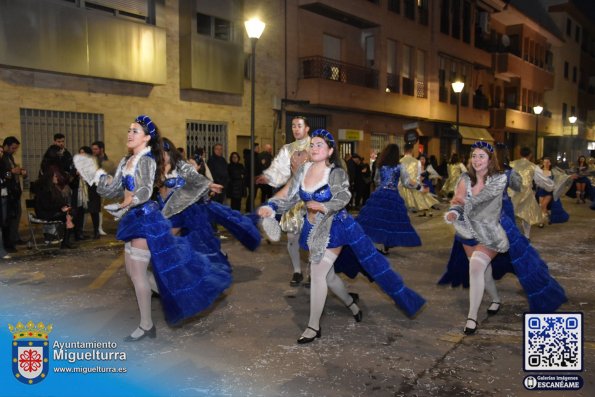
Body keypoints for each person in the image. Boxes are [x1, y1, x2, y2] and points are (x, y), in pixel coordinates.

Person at [258, 129, 425, 344]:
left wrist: (323, 205)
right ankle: (351, 304)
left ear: (329, 151)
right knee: (328, 277)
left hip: (335, 227)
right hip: (312, 228)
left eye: (320, 145)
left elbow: (344, 196)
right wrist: (271, 207)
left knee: (317, 273)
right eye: (313, 144)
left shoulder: (335, 172)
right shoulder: (303, 171)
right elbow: (290, 196)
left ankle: (313, 326)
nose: (315, 148)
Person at [90, 115, 230, 341]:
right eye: (129, 130)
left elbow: (149, 190)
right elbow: (116, 188)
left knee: (148, 269)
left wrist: (206, 185)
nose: (129, 134)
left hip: (160, 216)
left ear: (147, 138)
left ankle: (149, 322)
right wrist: (96, 177)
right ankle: (175, 293)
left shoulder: (158, 162)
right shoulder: (132, 161)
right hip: (144, 216)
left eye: (134, 131)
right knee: (135, 272)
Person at [443, 141, 566, 334]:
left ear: (491, 159)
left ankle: (471, 317)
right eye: (474, 156)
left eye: (481, 156)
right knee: (482, 270)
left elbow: (516, 190)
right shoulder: (465, 178)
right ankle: (496, 299)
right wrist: (454, 211)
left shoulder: (501, 177)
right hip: (469, 231)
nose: (476, 160)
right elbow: (458, 201)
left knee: (476, 266)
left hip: (494, 228)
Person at [255, 116, 311, 286]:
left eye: (299, 126)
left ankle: (311, 273)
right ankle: (297, 271)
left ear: (307, 128)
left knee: (312, 237)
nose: (296, 129)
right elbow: (279, 169)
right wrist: (268, 177)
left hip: (312, 197)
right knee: (292, 236)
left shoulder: (316, 145)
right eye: (293, 126)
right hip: (293, 197)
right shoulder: (287, 149)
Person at [356, 144, 422, 255]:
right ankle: (387, 244)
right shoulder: (399, 167)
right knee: (391, 221)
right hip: (393, 195)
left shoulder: (380, 166)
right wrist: (418, 186)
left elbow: (376, 180)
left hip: (380, 194)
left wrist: (381, 188)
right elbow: (406, 182)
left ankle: (379, 244)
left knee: (378, 220)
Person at [509, 147, 554, 239]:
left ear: (520, 154)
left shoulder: (512, 164)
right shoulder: (533, 166)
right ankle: (526, 236)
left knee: (510, 213)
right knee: (527, 215)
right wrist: (551, 186)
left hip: (512, 192)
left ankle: (510, 234)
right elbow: (541, 179)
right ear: (530, 155)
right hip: (526, 193)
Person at [33, 165, 76, 249]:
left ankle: (66, 241)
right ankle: (65, 242)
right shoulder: (44, 190)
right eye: (55, 176)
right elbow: (46, 206)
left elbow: (59, 202)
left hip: (52, 211)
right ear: (50, 178)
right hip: (45, 214)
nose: (57, 178)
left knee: (71, 213)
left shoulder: (53, 188)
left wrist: (65, 206)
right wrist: (61, 208)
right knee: (69, 215)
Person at [398, 143, 439, 216]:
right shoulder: (417, 162)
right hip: (414, 189)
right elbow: (418, 177)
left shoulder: (400, 161)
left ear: (404, 150)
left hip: (401, 190)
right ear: (412, 150)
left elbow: (399, 177)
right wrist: (421, 187)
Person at [1, 137, 27, 251]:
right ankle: (8, 243)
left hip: (12, 192)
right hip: (6, 193)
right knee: (7, 219)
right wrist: (11, 171)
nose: (14, 150)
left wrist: (19, 171)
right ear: (6, 146)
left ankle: (13, 238)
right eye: (13, 148)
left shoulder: (9, 157)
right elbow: (5, 173)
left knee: (14, 215)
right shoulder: (3, 159)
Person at [536, 157, 570, 226]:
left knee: (543, 205)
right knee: (541, 206)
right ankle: (547, 217)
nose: (546, 163)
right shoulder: (539, 171)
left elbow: (562, 176)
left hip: (549, 192)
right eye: (544, 162)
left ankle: (542, 222)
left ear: (550, 163)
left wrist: (569, 177)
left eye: (547, 162)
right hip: (541, 191)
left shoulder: (553, 171)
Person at [0, 144, 12, 259]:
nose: (1, 153)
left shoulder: (2, 164)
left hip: (3, 195)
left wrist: (6, 175)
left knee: (3, 222)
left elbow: (8, 175)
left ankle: (1, 250)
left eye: (1, 151)